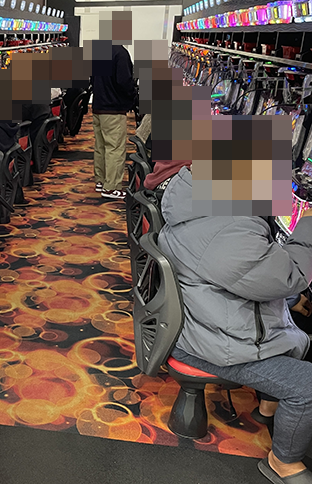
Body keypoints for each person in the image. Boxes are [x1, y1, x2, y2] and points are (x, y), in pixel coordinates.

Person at [158, 165, 312, 484]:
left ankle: (267, 408)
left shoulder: (200, 205)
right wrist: (308, 224)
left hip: (206, 323)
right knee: (307, 385)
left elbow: (249, 275)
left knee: (292, 328)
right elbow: (289, 276)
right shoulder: (227, 230)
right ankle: (282, 462)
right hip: (211, 343)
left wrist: (289, 297)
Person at [91, 43, 137, 200]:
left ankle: (101, 180)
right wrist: (133, 97)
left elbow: (92, 79)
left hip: (98, 106)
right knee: (115, 148)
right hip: (113, 109)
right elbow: (124, 81)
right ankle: (111, 188)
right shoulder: (121, 53)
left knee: (101, 146)